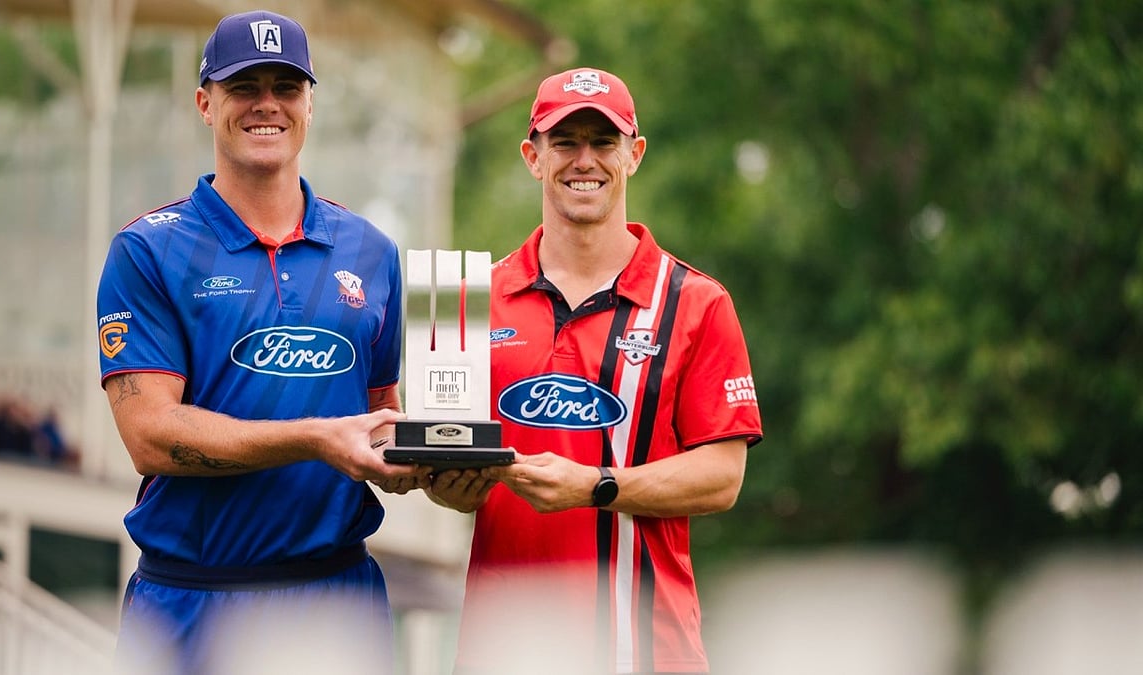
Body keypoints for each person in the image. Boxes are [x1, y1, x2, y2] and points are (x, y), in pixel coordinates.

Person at [95, 10, 427, 674]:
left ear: (310, 103)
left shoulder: (371, 250)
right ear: (205, 102)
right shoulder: (149, 250)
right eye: (245, 85)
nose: (266, 103)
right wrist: (315, 438)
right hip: (193, 601)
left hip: (338, 599)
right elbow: (150, 435)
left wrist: (425, 459)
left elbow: (380, 415)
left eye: (286, 85)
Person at [428, 67, 764, 674]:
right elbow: (445, 453)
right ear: (533, 156)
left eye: (603, 141)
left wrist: (597, 486)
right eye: (565, 141)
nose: (585, 160)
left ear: (633, 154)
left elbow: (724, 476)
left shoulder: (695, 301)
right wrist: (444, 488)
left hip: (647, 652)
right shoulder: (466, 300)